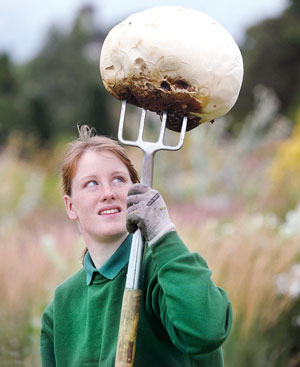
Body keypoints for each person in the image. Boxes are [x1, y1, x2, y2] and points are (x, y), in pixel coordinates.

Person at [40, 125, 233, 367]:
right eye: (91, 184)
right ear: (70, 206)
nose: (108, 193)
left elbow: (207, 332)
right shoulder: (61, 307)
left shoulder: (165, 271)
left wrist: (163, 233)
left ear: (136, 192)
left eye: (118, 179)